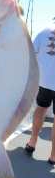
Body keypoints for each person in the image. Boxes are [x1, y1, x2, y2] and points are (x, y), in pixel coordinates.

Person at [25, 19, 55, 165]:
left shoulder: (44, 31)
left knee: (41, 108)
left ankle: (32, 143)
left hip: (46, 82)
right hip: (47, 81)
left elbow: (30, 54)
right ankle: (53, 156)